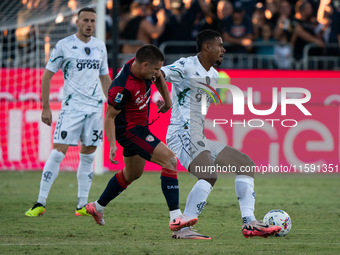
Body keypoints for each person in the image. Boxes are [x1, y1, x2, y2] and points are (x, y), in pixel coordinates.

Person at [160, 29, 282, 239]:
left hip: (198, 135)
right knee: (208, 174)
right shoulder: (186, 65)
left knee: (245, 164)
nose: (223, 50)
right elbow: (158, 73)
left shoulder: (214, 75)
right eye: (220, 45)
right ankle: (183, 228)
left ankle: (249, 223)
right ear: (207, 47)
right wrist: (166, 100)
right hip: (181, 133)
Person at [85, 45, 198, 234]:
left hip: (140, 128)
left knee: (132, 174)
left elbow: (160, 77)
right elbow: (109, 117)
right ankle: (175, 217)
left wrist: (168, 102)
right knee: (169, 159)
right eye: (155, 69)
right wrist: (112, 145)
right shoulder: (121, 87)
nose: (158, 72)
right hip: (130, 132)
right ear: (145, 65)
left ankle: (97, 207)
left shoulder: (145, 70)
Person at [25, 7, 112, 217]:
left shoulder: (100, 46)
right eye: (86, 20)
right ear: (77, 22)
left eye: (93, 20)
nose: (90, 24)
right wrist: (45, 107)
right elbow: (46, 76)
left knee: (88, 156)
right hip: (71, 109)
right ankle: (40, 202)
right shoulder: (64, 45)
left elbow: (104, 77)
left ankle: (82, 205)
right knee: (57, 153)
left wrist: (113, 103)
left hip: (94, 110)